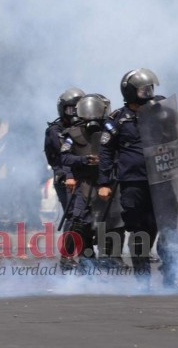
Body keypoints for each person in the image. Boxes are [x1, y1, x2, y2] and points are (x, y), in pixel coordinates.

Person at [97, 68, 178, 289]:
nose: (149, 92)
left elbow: (174, 139)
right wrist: (104, 183)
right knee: (140, 230)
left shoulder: (159, 112)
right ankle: (143, 279)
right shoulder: (117, 119)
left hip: (162, 180)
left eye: (150, 88)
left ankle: (171, 278)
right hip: (134, 183)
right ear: (130, 91)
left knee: (168, 228)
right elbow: (106, 151)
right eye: (144, 89)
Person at [59, 93, 114, 271]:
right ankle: (77, 258)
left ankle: (106, 258)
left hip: (105, 182)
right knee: (79, 221)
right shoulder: (72, 134)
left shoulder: (111, 132)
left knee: (106, 223)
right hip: (83, 183)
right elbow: (65, 157)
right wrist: (84, 161)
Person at [44, 88, 84, 268]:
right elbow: (61, 157)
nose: (75, 113)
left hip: (84, 175)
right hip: (66, 177)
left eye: (79, 108)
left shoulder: (85, 128)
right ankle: (66, 257)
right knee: (73, 215)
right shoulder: (56, 130)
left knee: (86, 217)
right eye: (70, 109)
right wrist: (68, 175)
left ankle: (86, 255)